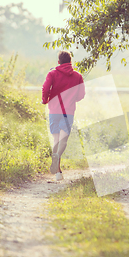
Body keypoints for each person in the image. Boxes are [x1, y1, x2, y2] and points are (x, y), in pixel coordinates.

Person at [42, 51, 85, 181]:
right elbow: (81, 95)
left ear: (59, 61)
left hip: (54, 111)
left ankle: (58, 171)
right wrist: (71, 100)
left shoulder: (52, 73)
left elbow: (45, 88)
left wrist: (45, 100)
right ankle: (58, 168)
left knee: (56, 140)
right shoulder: (78, 76)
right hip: (68, 112)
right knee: (63, 140)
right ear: (70, 61)